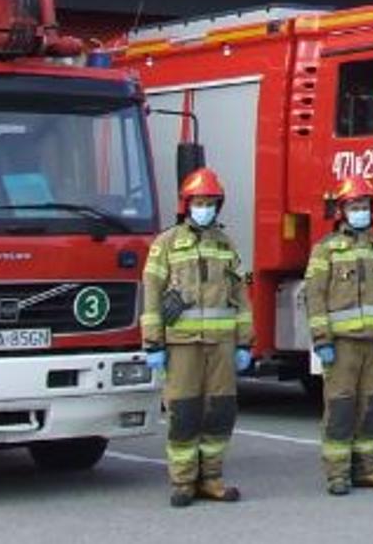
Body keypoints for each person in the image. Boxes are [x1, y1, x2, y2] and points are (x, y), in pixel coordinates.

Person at [141, 167, 253, 507]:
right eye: (198, 201)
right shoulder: (167, 244)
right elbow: (151, 294)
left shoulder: (225, 245)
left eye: (210, 202)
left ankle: (212, 478)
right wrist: (153, 343)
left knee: (220, 412)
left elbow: (241, 297)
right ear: (186, 205)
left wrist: (245, 342)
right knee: (185, 412)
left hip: (220, 347)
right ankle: (184, 481)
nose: (204, 207)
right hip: (182, 346)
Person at [306, 175, 373, 494]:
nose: (360, 211)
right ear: (342, 210)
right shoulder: (326, 250)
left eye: (364, 206)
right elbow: (315, 296)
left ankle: (368, 468)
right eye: (354, 206)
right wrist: (322, 340)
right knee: (341, 408)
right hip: (342, 345)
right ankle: (337, 473)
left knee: (372, 407)